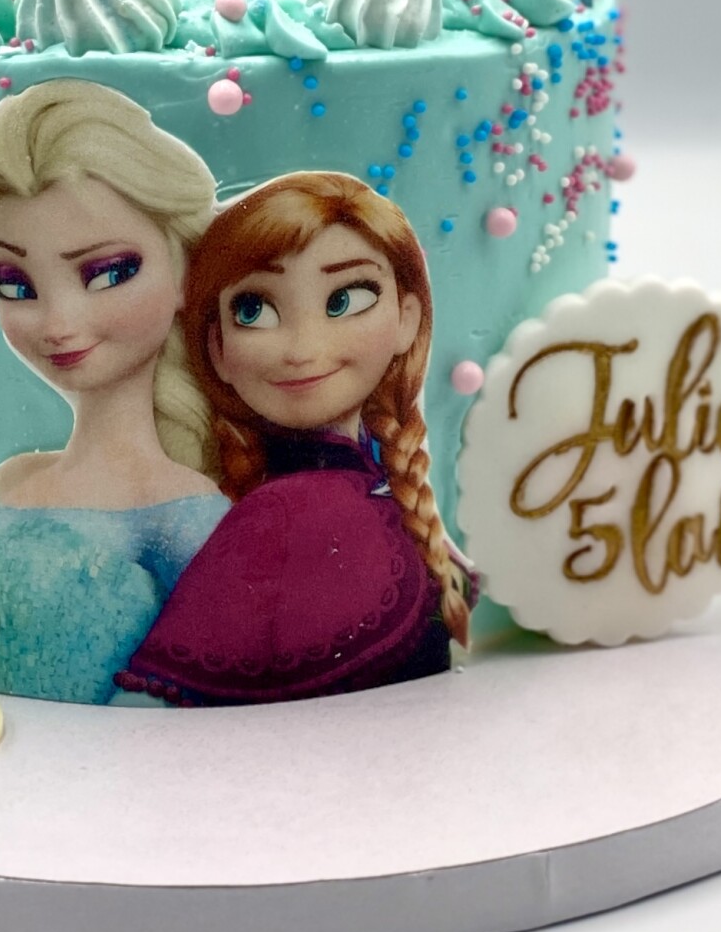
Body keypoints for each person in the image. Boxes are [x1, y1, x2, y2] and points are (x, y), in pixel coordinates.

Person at [116, 172, 470, 705]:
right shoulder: (280, 513)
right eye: (253, 310)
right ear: (216, 348)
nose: (303, 349)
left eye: (346, 298)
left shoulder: (384, 479)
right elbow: (146, 712)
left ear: (407, 316)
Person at [0, 80, 227, 703]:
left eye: (107, 273)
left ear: (185, 269)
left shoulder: (187, 513)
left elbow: (202, 698)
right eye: (16, 285)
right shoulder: (10, 481)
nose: (58, 323)